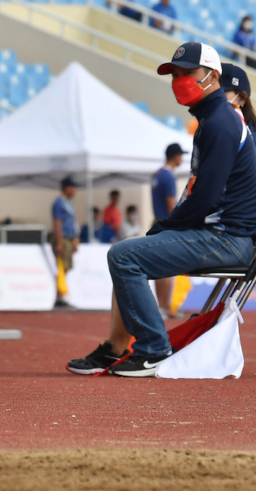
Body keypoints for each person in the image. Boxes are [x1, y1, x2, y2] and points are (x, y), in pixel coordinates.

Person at [68, 42, 256, 377]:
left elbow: (207, 198)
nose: (179, 81)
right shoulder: (214, 119)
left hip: (225, 238)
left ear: (213, 76)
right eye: (175, 75)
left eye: (188, 74)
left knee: (125, 256)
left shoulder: (221, 123)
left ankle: (153, 348)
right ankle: (116, 347)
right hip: (223, 234)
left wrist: (167, 226)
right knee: (129, 254)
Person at [151, 142, 185, 316]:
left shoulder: (157, 174)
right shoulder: (168, 176)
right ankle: (165, 307)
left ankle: (162, 306)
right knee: (167, 267)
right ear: (176, 156)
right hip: (167, 222)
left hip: (157, 221)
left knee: (158, 267)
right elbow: (170, 203)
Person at [51, 177, 79, 296]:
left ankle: (61, 292)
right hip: (63, 238)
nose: (74, 191)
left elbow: (72, 222)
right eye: (73, 187)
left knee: (66, 266)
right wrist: (59, 242)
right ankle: (59, 294)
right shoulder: (59, 202)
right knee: (61, 266)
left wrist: (75, 239)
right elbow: (57, 222)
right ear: (66, 188)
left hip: (69, 238)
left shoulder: (69, 203)